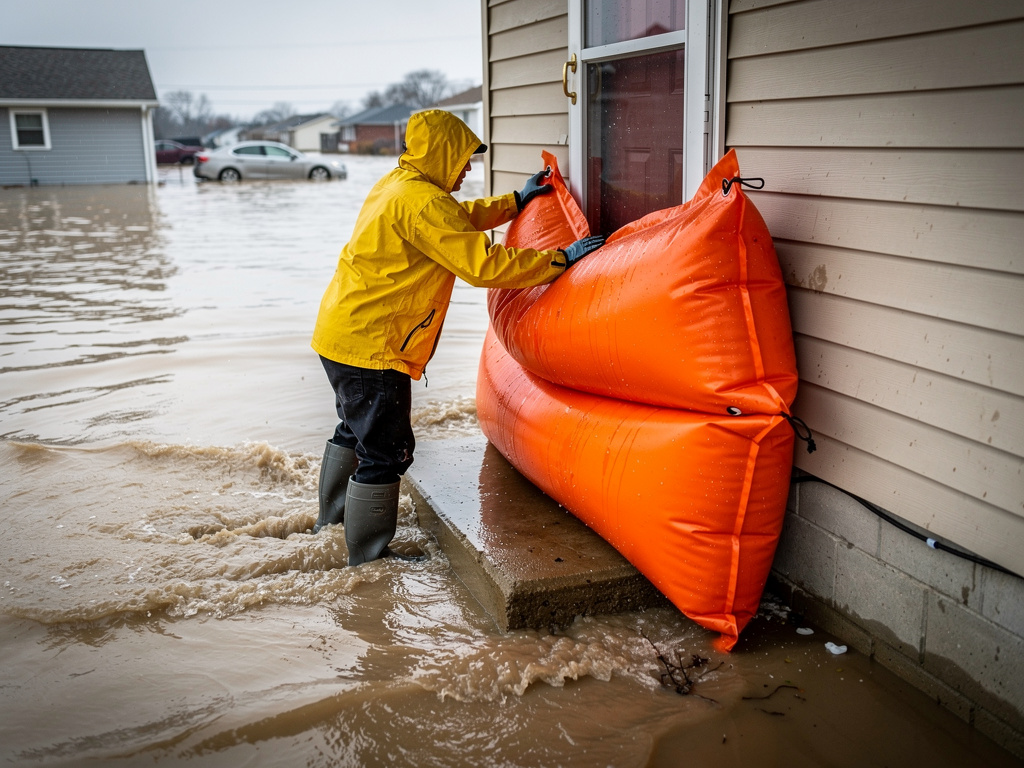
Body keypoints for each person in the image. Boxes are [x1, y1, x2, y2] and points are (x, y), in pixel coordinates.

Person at [310, 109, 604, 565]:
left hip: (342, 337)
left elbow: (456, 219)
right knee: (387, 452)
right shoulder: (423, 202)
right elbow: (482, 266)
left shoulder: (399, 186)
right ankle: (367, 562)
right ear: (443, 153)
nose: (468, 168)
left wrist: (514, 201)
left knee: (354, 430)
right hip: (373, 347)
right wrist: (559, 259)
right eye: (464, 158)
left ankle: (331, 524)